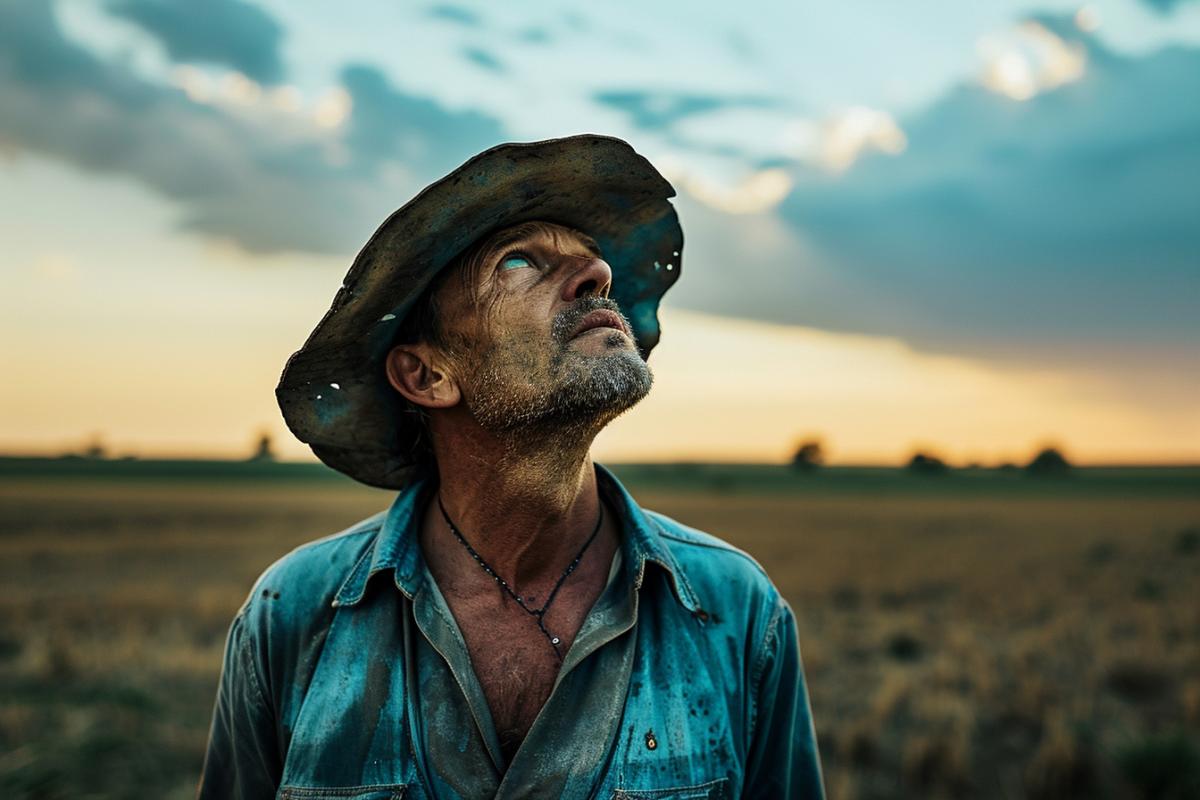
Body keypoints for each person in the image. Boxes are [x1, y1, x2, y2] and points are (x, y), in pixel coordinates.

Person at [198, 134, 825, 799]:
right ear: (426, 373)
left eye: (594, 261)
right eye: (520, 262)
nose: (597, 276)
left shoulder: (734, 611)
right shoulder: (293, 617)